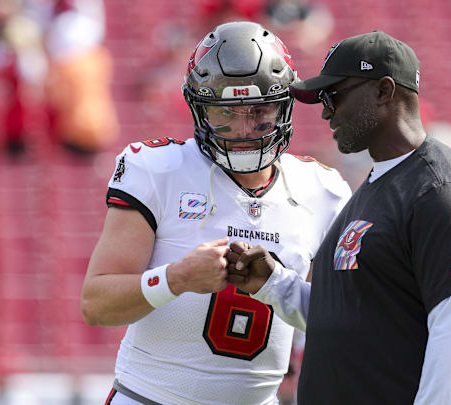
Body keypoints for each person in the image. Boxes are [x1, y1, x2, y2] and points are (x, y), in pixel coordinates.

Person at [227, 30, 451, 404]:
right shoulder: (378, 186)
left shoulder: (444, 194)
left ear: (384, 91)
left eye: (334, 95)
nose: (326, 111)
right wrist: (274, 284)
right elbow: (358, 318)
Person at [81, 21, 351, 405]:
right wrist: (175, 279)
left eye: (259, 110)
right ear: (198, 107)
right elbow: (96, 303)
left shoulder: (322, 190)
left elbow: (344, 319)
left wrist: (277, 286)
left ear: (285, 105)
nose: (243, 128)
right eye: (224, 112)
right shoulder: (157, 169)